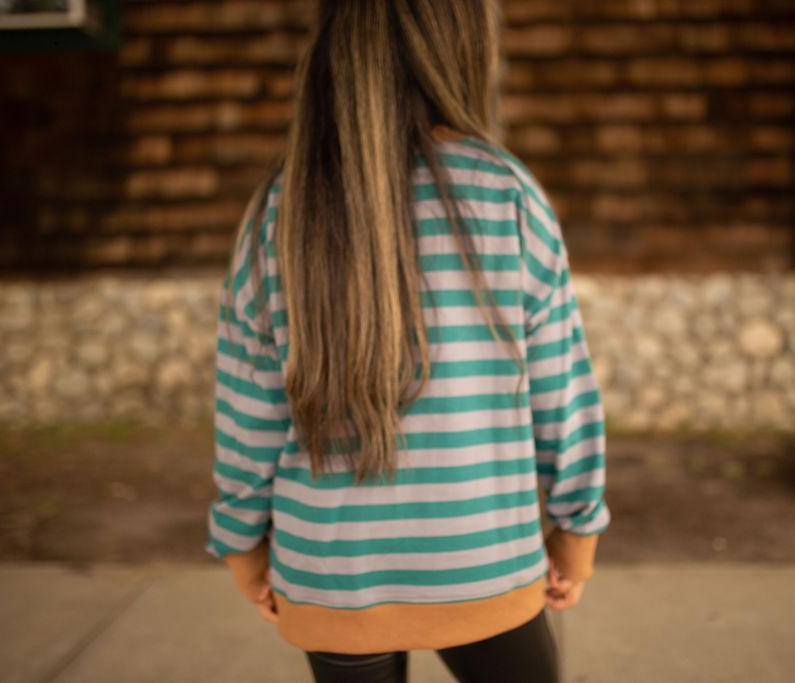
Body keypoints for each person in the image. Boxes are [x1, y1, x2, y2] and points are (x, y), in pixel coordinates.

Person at [205, 1, 609, 681]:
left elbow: (248, 410)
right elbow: (561, 388)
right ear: (459, 46)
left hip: (331, 572)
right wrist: (576, 530)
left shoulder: (280, 206)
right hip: (484, 560)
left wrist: (242, 546)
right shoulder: (506, 192)